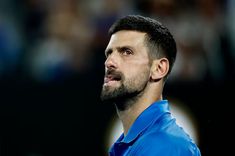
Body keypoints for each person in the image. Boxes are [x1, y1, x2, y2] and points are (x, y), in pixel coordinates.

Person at [100, 15, 201, 156]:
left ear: (159, 69)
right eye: (109, 53)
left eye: (126, 52)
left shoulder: (166, 146)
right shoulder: (133, 146)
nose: (109, 62)